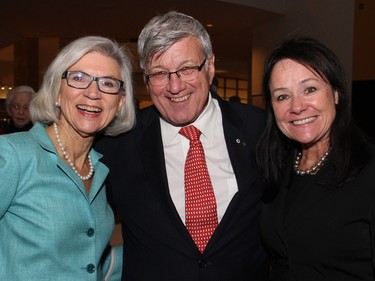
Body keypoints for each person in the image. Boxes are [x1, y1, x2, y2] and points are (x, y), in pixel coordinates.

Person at [95, 11, 269, 281]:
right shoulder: (117, 144)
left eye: (187, 69)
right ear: (146, 79)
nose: (175, 86)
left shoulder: (259, 129)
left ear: (209, 67)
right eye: (159, 73)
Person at [0, 35, 136, 280]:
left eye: (107, 83)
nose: (93, 93)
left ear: (119, 103)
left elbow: (86, 262)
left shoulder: (98, 169)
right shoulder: (13, 155)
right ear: (56, 91)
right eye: (79, 78)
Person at [256, 36, 375, 280]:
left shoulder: (369, 170)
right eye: (282, 96)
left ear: (336, 94)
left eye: (309, 89)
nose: (297, 107)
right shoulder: (278, 166)